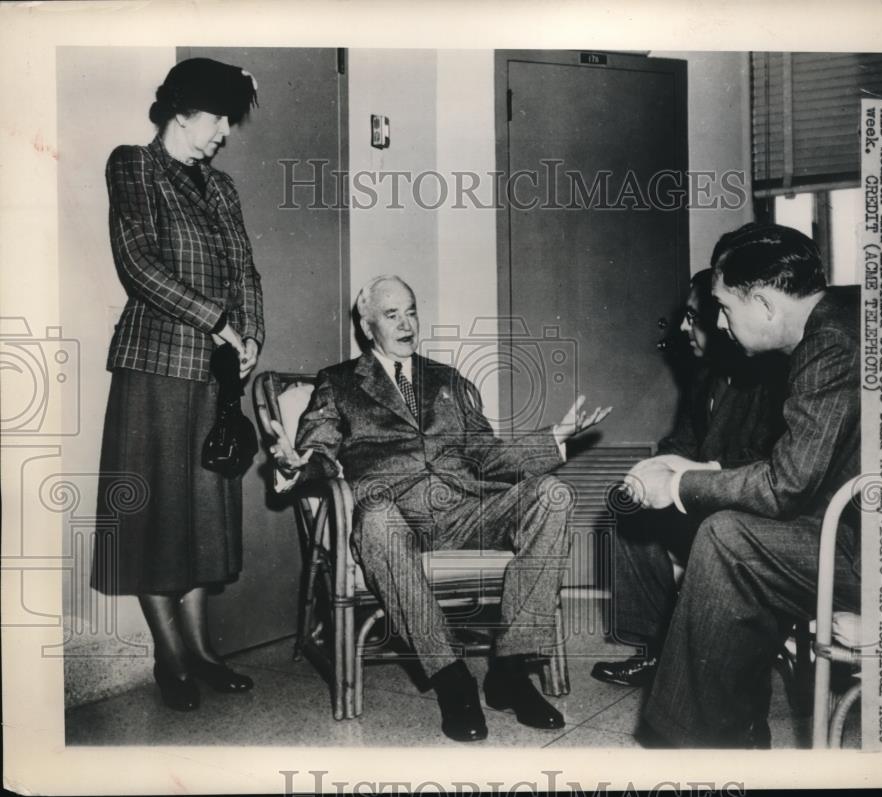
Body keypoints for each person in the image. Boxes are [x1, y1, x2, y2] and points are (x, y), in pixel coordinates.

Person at [269, 275, 610, 743]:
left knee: (553, 495)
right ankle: (452, 679)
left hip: (465, 510)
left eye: (411, 311)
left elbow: (487, 456)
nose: (407, 323)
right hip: (391, 516)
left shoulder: (450, 381)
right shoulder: (340, 383)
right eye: (392, 315)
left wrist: (553, 438)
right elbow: (319, 452)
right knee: (376, 517)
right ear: (368, 328)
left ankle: (509, 671)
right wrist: (297, 465)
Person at [628, 223, 861, 747]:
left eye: (725, 308)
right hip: (859, 530)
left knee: (728, 539)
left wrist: (680, 485)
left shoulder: (829, 347)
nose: (720, 324)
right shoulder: (841, 321)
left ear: (764, 304)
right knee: (731, 535)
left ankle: (699, 741)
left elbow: (785, 483)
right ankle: (721, 732)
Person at [90, 58, 264, 713]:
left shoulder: (222, 190)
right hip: (156, 366)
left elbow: (247, 271)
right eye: (220, 117)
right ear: (184, 108)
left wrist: (250, 336)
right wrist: (220, 322)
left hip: (213, 376)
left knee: (201, 519)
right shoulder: (133, 164)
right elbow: (138, 263)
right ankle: (170, 655)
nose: (225, 131)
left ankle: (202, 649)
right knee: (157, 519)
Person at [591, 268, 786, 688]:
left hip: (751, 507)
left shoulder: (773, 376)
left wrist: (689, 475)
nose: (682, 326)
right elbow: (681, 441)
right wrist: (647, 474)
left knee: (715, 530)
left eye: (692, 317)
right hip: (702, 497)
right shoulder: (705, 375)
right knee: (626, 510)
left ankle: (741, 649)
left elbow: (770, 466)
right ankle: (656, 649)